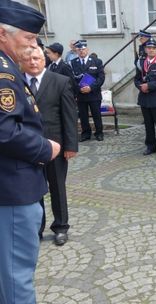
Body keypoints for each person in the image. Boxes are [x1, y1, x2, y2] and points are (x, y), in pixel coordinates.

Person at [0, 1, 61, 302]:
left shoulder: (9, 67)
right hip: (13, 189)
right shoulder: (4, 74)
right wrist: (45, 147)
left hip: (10, 185)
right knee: (17, 276)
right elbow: (5, 131)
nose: (34, 45)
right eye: (28, 38)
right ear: (2, 33)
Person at [21, 47, 78, 246]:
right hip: (28, 146)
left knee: (57, 188)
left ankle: (61, 227)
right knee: (33, 189)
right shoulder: (16, 82)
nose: (33, 62)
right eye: (28, 59)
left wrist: (70, 145)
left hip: (55, 146)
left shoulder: (60, 81)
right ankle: (37, 228)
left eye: (36, 58)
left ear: (44, 60)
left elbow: (69, 116)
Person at [134, 38, 156, 156]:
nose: (151, 50)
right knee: (148, 125)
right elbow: (137, 79)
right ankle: (151, 146)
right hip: (145, 99)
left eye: (154, 48)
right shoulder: (141, 64)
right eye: (149, 48)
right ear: (145, 49)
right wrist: (140, 86)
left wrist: (149, 85)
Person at [71, 39, 106, 141]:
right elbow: (72, 79)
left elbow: (101, 78)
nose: (81, 51)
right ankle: (86, 133)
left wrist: (91, 87)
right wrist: (78, 89)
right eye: (79, 50)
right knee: (83, 116)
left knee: (96, 114)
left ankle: (99, 133)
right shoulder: (73, 63)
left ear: (87, 49)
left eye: (83, 49)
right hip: (81, 94)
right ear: (76, 51)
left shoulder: (96, 61)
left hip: (94, 94)